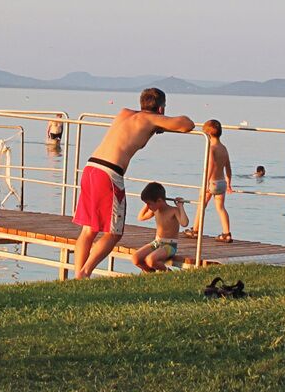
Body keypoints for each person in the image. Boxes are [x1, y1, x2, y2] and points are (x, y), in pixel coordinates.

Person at [72, 88, 194, 278]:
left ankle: (77, 277)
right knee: (114, 233)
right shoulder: (151, 119)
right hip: (109, 174)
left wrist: (157, 126)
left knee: (89, 229)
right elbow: (187, 124)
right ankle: (84, 273)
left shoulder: (124, 113)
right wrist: (161, 123)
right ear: (161, 109)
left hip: (91, 168)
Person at [130, 182, 188, 272]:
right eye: (146, 204)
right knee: (135, 258)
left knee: (150, 260)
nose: (148, 206)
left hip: (169, 245)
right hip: (157, 243)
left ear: (159, 201)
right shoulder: (155, 210)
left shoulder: (173, 211)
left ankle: (169, 272)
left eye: (149, 203)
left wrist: (180, 207)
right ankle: (150, 273)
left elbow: (184, 223)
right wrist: (147, 205)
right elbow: (141, 217)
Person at [195, 120, 235, 242]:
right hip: (221, 183)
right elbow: (228, 167)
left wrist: (206, 182)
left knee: (201, 205)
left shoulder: (211, 148)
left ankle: (195, 230)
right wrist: (229, 183)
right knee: (221, 208)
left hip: (211, 182)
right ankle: (227, 233)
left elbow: (211, 166)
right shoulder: (224, 148)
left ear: (207, 134)